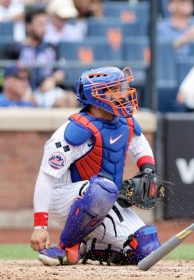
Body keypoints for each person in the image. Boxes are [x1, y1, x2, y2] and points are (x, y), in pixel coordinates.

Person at [30, 66, 161, 266]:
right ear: (97, 95)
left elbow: (140, 147)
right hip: (63, 197)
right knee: (103, 188)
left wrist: (148, 169)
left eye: (122, 87)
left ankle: (89, 248)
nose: (124, 93)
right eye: (116, 89)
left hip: (102, 198)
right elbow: (46, 178)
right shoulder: (75, 130)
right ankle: (66, 247)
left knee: (147, 248)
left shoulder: (126, 122)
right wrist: (40, 226)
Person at [16, 6, 78, 108]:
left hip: (47, 90)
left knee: (70, 98)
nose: (43, 28)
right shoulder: (16, 49)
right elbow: (9, 75)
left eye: (45, 24)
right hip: (25, 92)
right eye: (40, 24)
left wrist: (52, 80)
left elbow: (61, 72)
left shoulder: (51, 48)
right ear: (28, 26)